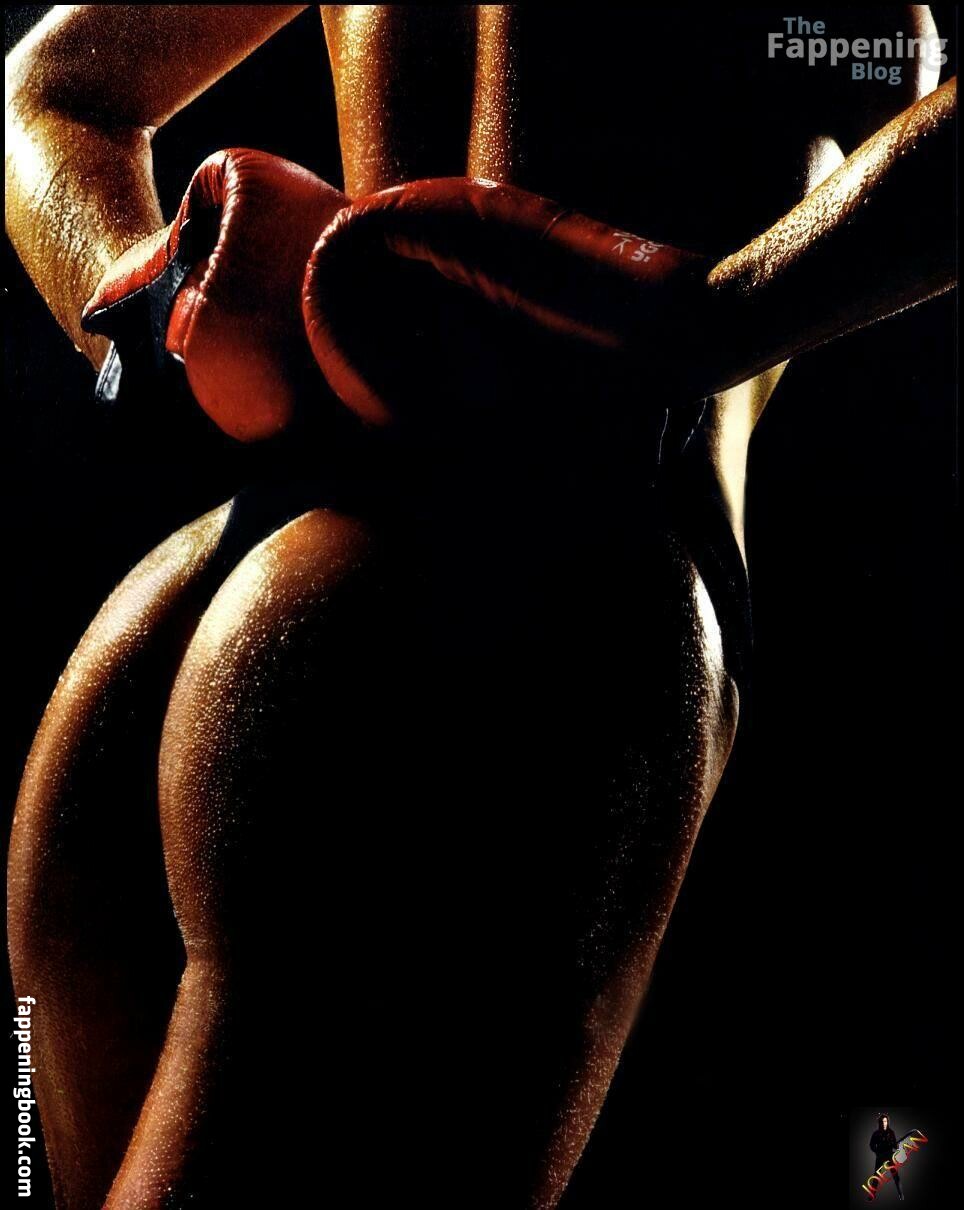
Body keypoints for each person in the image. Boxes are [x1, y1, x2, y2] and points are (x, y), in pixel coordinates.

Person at [4, 7, 956, 1209]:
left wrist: (154, 322)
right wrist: (707, 317)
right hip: (532, 615)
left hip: (203, 604)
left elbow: (52, 86)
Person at [870, 1114, 904, 1201]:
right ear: (879, 1123)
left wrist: (897, 1145)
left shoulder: (891, 1132)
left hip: (890, 1157)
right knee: (876, 1176)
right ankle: (872, 1195)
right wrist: (877, 1152)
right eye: (882, 1122)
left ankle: (901, 1195)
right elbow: (871, 1145)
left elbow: (895, 1146)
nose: (884, 1123)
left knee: (896, 1176)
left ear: (887, 1122)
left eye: (885, 1121)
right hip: (880, 1157)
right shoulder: (876, 1133)